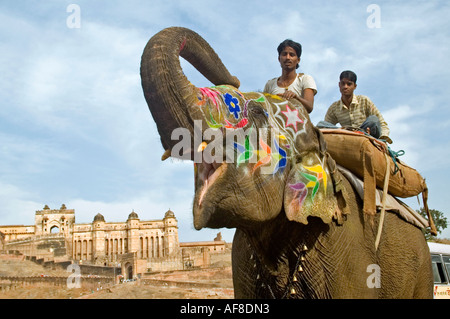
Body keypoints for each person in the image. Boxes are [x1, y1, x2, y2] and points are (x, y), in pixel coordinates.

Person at [318, 70, 392, 143]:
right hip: (346, 134)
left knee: (373, 120)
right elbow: (325, 126)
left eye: (349, 84)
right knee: (321, 124)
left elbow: (381, 122)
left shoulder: (364, 100)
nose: (345, 87)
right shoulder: (334, 108)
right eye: (343, 83)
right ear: (339, 85)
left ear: (355, 86)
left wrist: (384, 138)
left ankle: (361, 133)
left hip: (365, 132)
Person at [264, 39, 317, 113]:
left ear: (298, 60)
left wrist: (296, 98)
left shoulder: (305, 79)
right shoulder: (270, 84)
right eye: (284, 54)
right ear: (279, 58)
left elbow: (309, 107)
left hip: (298, 124)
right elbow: (264, 108)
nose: (288, 57)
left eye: (292, 55)